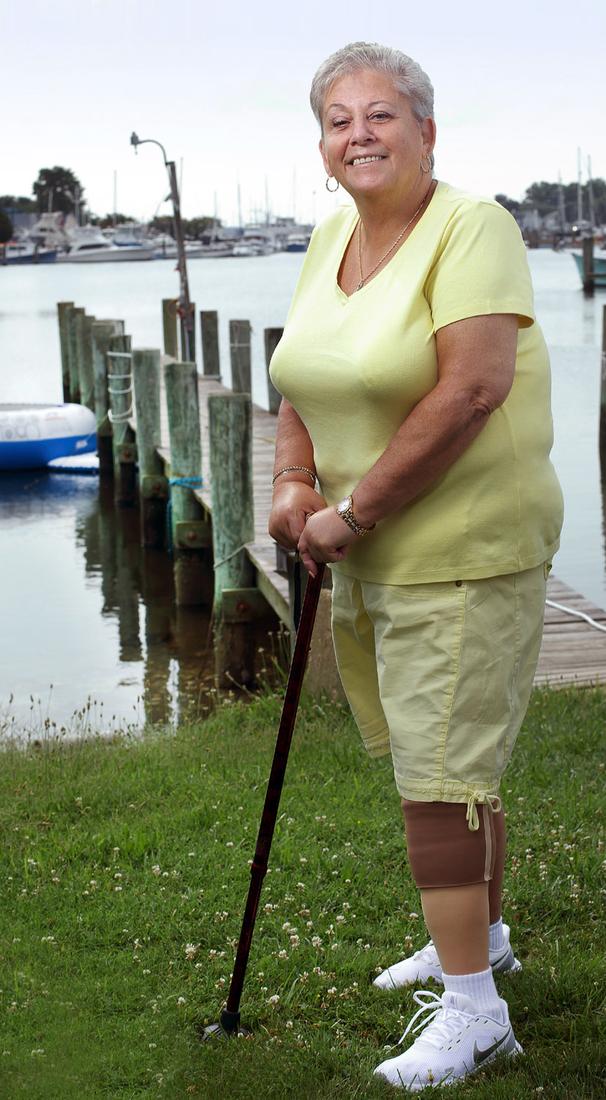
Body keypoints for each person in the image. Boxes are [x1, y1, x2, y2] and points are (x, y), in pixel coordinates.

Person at [268, 41, 563, 1092]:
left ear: (427, 131)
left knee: (441, 789)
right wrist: (293, 480)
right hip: (369, 551)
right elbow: (301, 366)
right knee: (449, 774)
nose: (361, 133)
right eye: (340, 118)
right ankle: (478, 943)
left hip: (465, 548)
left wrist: (355, 509)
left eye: (382, 114)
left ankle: (478, 1012)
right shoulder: (330, 234)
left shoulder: (474, 227)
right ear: (322, 147)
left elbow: (471, 389)